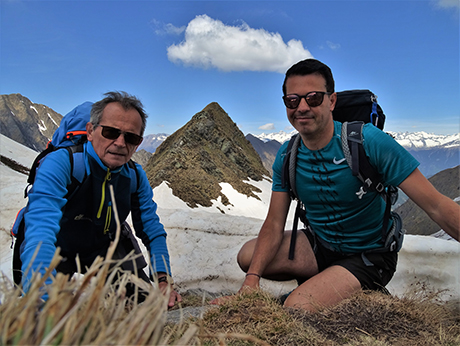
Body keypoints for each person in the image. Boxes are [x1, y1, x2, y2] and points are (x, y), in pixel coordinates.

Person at [215, 59, 460, 312]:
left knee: (297, 306)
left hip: (370, 255)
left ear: (331, 101)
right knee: (247, 257)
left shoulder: (368, 142)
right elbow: (275, 223)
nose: (302, 107)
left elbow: (437, 206)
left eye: (313, 98)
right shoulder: (288, 156)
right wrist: (251, 281)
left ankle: (359, 287)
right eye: (292, 100)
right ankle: (330, 283)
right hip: (321, 246)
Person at [18, 91, 181, 307]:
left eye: (131, 137)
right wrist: (43, 299)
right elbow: (41, 231)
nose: (120, 143)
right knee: (36, 312)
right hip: (57, 246)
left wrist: (163, 280)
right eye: (110, 132)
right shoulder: (61, 163)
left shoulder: (135, 175)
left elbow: (151, 229)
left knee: (143, 302)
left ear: (138, 143)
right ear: (90, 131)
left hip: (105, 245)